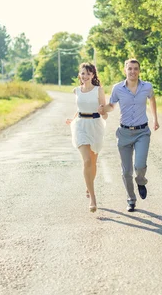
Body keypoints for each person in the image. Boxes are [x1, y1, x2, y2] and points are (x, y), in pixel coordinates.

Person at [98, 58, 159, 212]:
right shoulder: (117, 88)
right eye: (130, 69)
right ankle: (131, 199)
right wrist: (103, 109)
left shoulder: (147, 87)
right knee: (126, 171)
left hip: (142, 132)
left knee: (139, 165)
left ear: (139, 70)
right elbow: (112, 105)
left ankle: (141, 181)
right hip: (124, 133)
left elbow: (152, 99)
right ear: (125, 70)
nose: (133, 71)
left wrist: (155, 119)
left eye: (135, 69)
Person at [66, 63, 108, 213]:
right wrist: (72, 119)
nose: (85, 76)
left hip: (96, 125)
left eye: (88, 73)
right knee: (87, 161)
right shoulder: (76, 91)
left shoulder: (99, 90)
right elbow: (78, 109)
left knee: (94, 162)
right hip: (80, 126)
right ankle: (93, 197)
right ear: (80, 75)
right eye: (83, 73)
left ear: (93, 75)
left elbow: (105, 113)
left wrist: (102, 111)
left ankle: (88, 185)